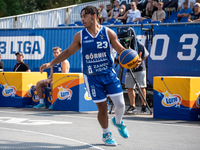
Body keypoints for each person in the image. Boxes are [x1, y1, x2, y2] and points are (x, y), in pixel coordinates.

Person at [39, 6, 139, 146]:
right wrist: (51, 63)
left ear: (94, 16)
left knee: (121, 104)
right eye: (81, 16)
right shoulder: (80, 36)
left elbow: (122, 51)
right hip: (92, 77)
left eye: (85, 16)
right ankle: (106, 134)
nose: (82, 19)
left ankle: (118, 121)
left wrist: (134, 59)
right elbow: (67, 52)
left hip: (108, 74)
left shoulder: (108, 33)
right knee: (102, 108)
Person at [125, 33, 149, 114]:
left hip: (140, 68)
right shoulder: (124, 46)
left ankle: (144, 105)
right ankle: (133, 106)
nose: (126, 39)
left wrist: (140, 61)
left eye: (128, 37)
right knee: (130, 87)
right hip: (129, 68)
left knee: (141, 87)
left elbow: (146, 54)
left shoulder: (139, 44)